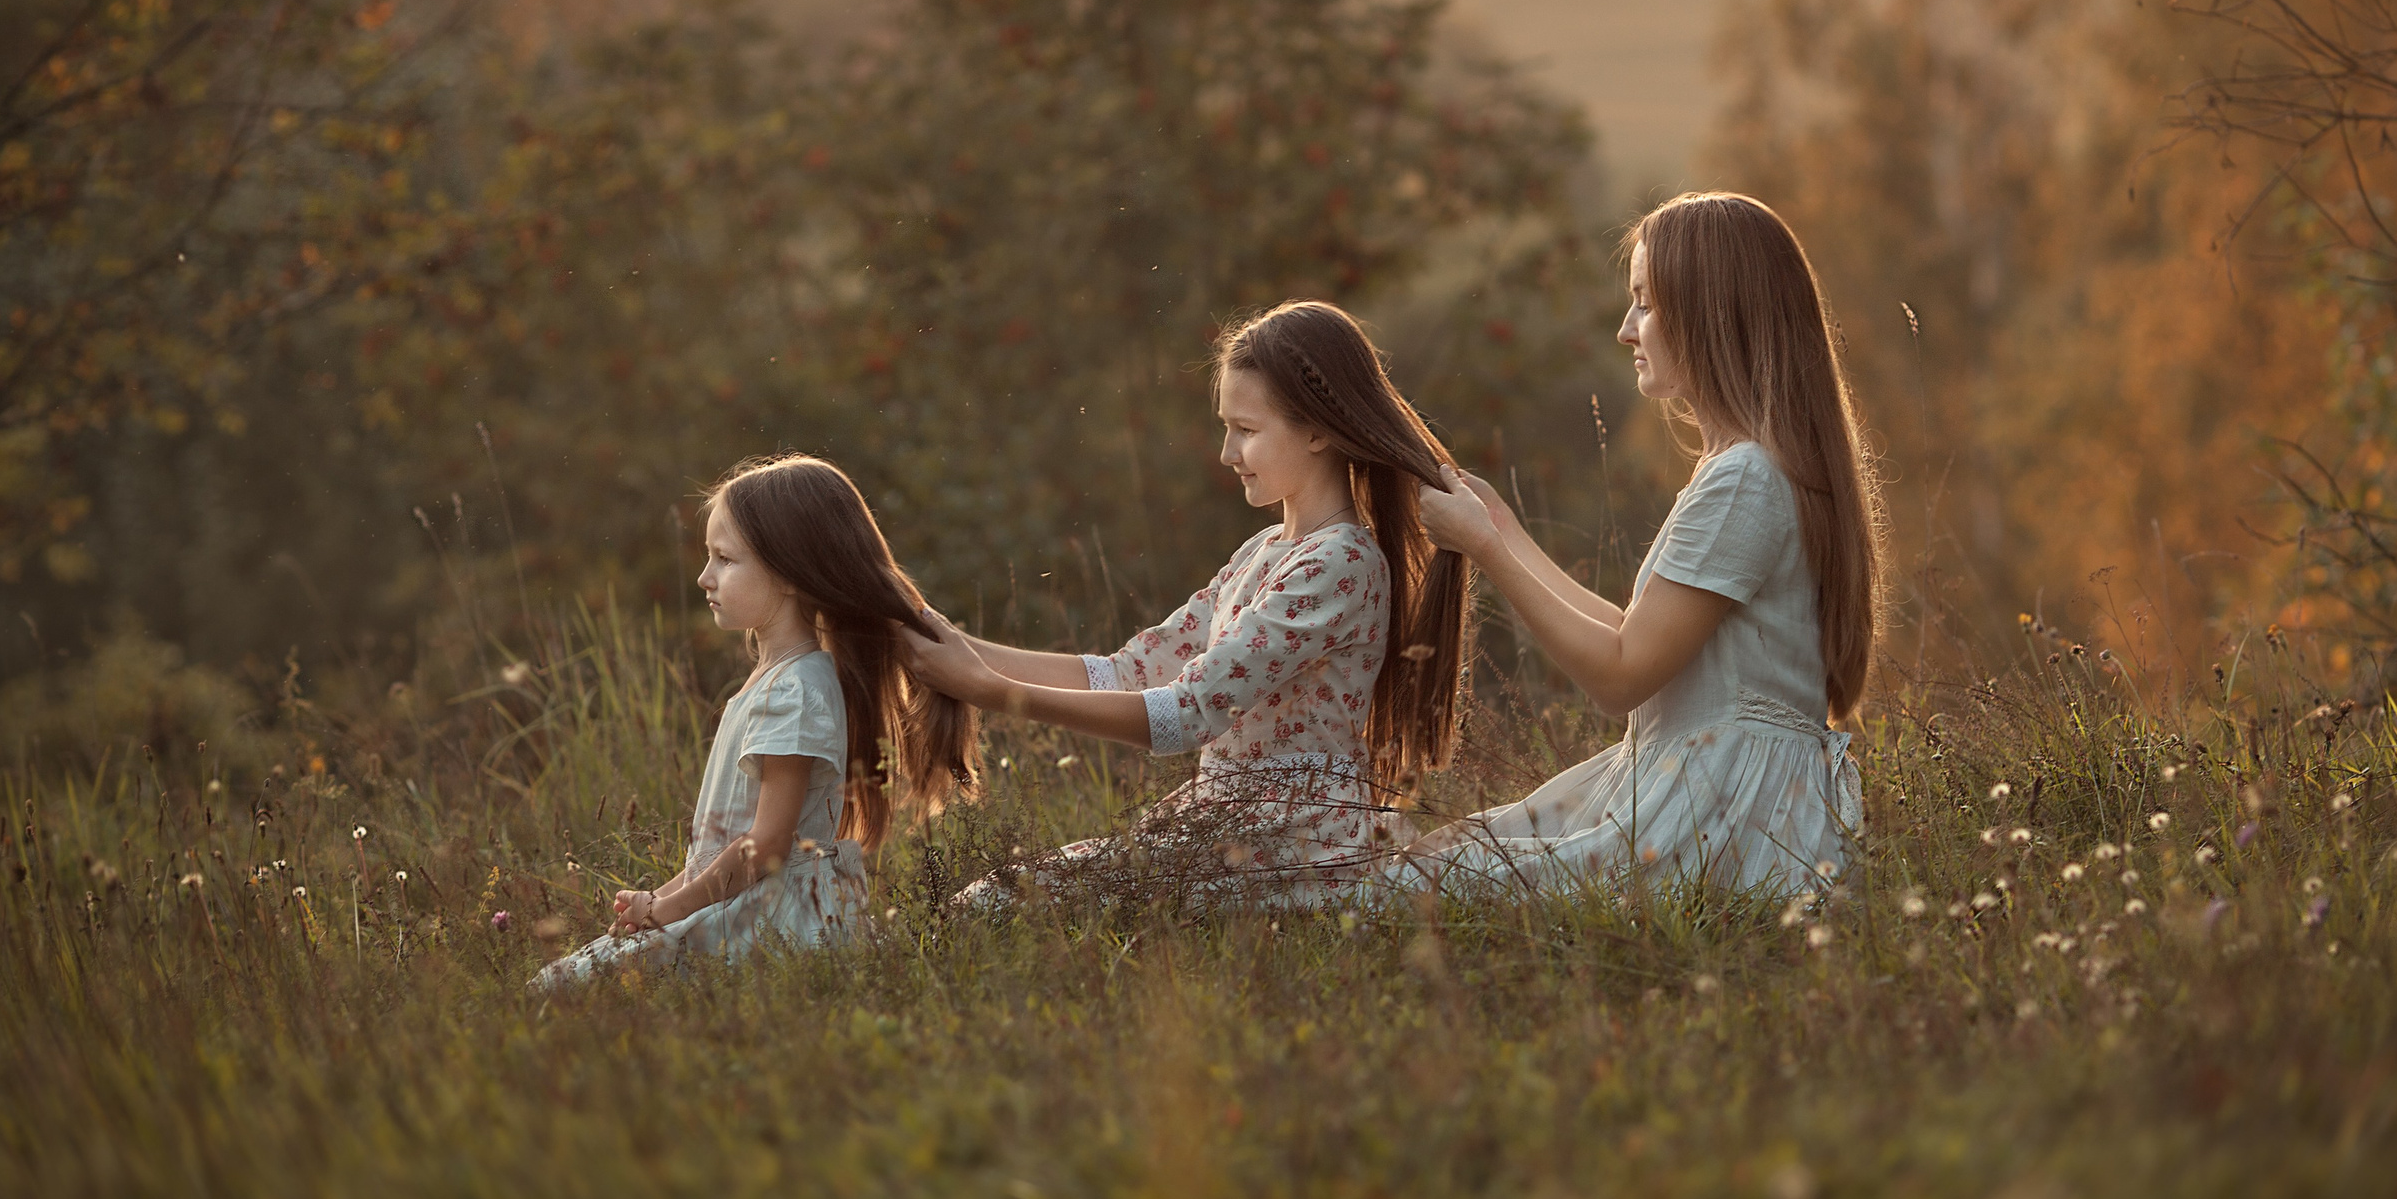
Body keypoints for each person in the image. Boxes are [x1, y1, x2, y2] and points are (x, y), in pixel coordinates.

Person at [1386, 191, 1881, 897]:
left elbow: (1621, 677)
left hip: (1724, 810)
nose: (1626, 330)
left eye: (1645, 303)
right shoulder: (1747, 467)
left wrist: (1486, 549)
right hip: (1716, 787)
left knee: (1416, 884)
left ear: (1711, 314)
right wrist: (1500, 528)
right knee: (1438, 857)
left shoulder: (1745, 479)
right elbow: (1633, 634)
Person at [900, 301, 1470, 907]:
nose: (1227, 452)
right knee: (997, 899)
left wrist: (989, 690)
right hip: (1234, 825)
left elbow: (1188, 713)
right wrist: (960, 649)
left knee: (998, 902)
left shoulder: (1342, 564)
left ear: (1316, 431)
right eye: (1227, 427)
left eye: (1246, 430)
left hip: (1298, 843)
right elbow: (1129, 672)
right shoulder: (1263, 551)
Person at [534, 455, 976, 989]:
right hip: (746, 903)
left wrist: (668, 911)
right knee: (565, 981)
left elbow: (766, 846)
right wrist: (658, 900)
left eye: (725, 559)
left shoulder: (794, 691)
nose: (705, 577)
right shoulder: (779, 681)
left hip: (774, 922)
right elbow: (721, 851)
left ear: (788, 572)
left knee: (559, 989)